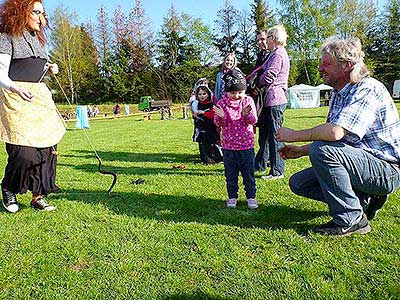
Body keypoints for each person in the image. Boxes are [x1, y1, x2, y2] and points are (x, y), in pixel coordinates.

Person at [277, 36, 400, 236]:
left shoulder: (367, 88)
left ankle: (351, 218)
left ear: (347, 66)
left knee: (322, 149)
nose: (320, 68)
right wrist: (300, 151)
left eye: (326, 64)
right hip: (364, 163)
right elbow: (338, 141)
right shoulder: (339, 92)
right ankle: (363, 200)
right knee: (299, 183)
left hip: (387, 170)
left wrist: (295, 135)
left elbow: (334, 133)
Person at [0, 0, 66, 212]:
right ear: (21, 12)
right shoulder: (5, 37)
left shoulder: (38, 40)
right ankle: (9, 187)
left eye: (42, 13)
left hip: (39, 98)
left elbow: (35, 67)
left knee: (47, 148)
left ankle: (38, 195)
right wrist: (16, 89)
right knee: (24, 151)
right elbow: (1, 73)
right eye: (36, 12)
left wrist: (50, 68)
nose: (41, 18)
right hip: (16, 97)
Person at [214, 69, 258, 209]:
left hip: (246, 146)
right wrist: (221, 117)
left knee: (248, 174)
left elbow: (253, 120)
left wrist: (246, 115)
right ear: (227, 91)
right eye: (233, 93)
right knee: (231, 175)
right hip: (229, 147)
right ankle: (232, 197)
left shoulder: (248, 101)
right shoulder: (221, 104)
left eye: (240, 92)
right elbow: (219, 123)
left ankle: (251, 197)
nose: (237, 95)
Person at [257, 24, 290, 180]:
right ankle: (265, 166)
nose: (266, 41)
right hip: (272, 100)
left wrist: (257, 81)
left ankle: (277, 171)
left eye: (268, 37)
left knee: (276, 135)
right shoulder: (275, 54)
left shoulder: (278, 54)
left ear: (274, 38)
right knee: (270, 135)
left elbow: (269, 76)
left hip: (275, 100)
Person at [248, 30, 271, 173]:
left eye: (262, 39)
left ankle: (263, 162)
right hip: (261, 96)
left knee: (269, 132)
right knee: (263, 130)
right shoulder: (261, 55)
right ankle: (263, 161)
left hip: (269, 97)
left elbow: (267, 76)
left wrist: (258, 86)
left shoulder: (272, 56)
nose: (260, 43)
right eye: (258, 40)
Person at [193, 85, 221, 164]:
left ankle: (214, 159)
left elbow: (213, 115)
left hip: (210, 127)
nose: (202, 96)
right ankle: (204, 159)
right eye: (200, 94)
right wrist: (195, 115)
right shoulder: (196, 104)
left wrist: (204, 113)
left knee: (211, 143)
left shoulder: (212, 104)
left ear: (208, 94)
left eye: (204, 94)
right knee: (202, 143)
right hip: (200, 127)